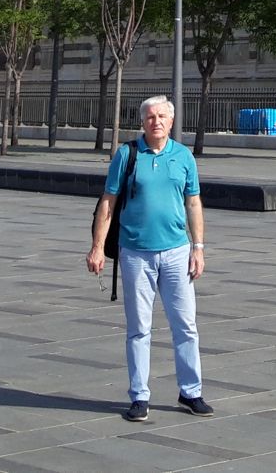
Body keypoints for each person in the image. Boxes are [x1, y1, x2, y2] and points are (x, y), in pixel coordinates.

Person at [87, 95, 210, 422]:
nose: (156, 122)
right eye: (150, 117)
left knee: (186, 326)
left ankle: (191, 391)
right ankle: (139, 396)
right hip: (135, 253)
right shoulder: (127, 155)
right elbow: (108, 202)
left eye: (162, 117)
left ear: (171, 121)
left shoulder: (183, 156)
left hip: (177, 252)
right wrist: (97, 247)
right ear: (142, 122)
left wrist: (198, 247)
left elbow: (193, 203)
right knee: (139, 328)